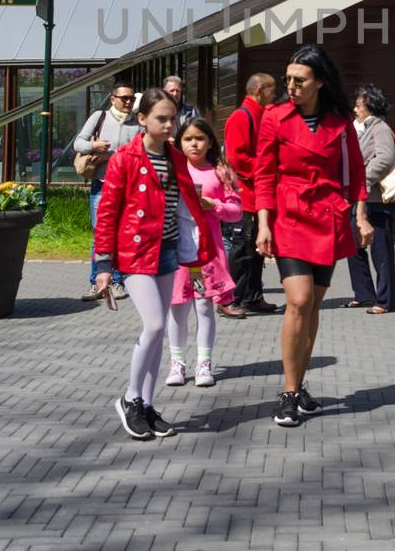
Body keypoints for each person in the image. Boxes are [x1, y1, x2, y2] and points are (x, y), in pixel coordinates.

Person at [254, 44, 370, 428]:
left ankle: (299, 384)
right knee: (298, 300)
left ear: (319, 81)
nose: (291, 86)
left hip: (327, 215)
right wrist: (263, 223)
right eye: (288, 80)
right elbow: (264, 174)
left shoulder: (340, 122)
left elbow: (355, 170)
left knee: (313, 306)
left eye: (299, 80)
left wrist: (361, 215)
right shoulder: (274, 117)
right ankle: (288, 392)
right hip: (288, 215)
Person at [93, 89, 217, 440]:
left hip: (168, 250)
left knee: (159, 332)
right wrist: (104, 264)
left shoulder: (177, 158)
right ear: (142, 119)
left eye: (172, 118)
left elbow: (187, 203)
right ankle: (130, 399)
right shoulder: (125, 158)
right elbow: (107, 212)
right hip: (134, 254)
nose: (169, 124)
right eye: (161, 118)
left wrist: (199, 251)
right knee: (155, 324)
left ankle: (147, 405)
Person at [164, 118, 243, 388]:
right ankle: (177, 362)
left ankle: (203, 363)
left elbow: (237, 212)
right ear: (179, 142)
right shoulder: (172, 171)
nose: (194, 144)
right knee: (177, 307)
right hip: (178, 252)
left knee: (204, 306)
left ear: (210, 142)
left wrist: (215, 205)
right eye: (188, 139)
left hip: (207, 254)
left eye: (200, 138)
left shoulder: (221, 173)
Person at [73, 82, 140, 303]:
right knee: (99, 234)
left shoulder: (137, 123)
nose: (128, 102)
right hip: (102, 184)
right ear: (113, 99)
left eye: (131, 98)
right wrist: (94, 147)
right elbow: (78, 143)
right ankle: (96, 282)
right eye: (124, 98)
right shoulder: (99, 117)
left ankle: (118, 281)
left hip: (127, 187)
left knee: (121, 234)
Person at [223, 73, 278, 315]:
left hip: (258, 195)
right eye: (271, 90)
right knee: (242, 249)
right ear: (259, 90)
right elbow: (236, 157)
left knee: (256, 251)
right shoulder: (241, 117)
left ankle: (252, 296)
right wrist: (267, 170)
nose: (274, 95)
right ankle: (229, 300)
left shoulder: (259, 115)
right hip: (245, 195)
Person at [346, 85, 395, 314]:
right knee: (353, 246)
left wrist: (363, 177)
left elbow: (385, 158)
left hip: (376, 201)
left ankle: (385, 300)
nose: (355, 109)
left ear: (371, 106)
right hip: (358, 199)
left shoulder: (380, 128)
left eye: (359, 105)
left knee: (381, 252)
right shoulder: (364, 128)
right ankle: (364, 294)